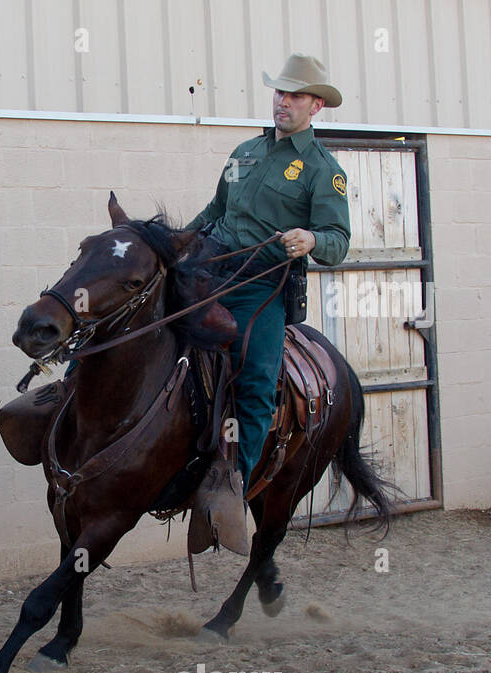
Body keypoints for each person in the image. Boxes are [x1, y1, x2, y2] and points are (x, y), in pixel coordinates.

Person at [184, 53, 352, 555]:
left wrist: (312, 239)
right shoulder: (245, 150)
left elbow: (339, 241)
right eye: (280, 92)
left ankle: (232, 485)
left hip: (263, 286)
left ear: (315, 105)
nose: (284, 102)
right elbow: (215, 211)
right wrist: (179, 244)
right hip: (213, 271)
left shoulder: (324, 171)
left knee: (257, 380)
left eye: (295, 95)